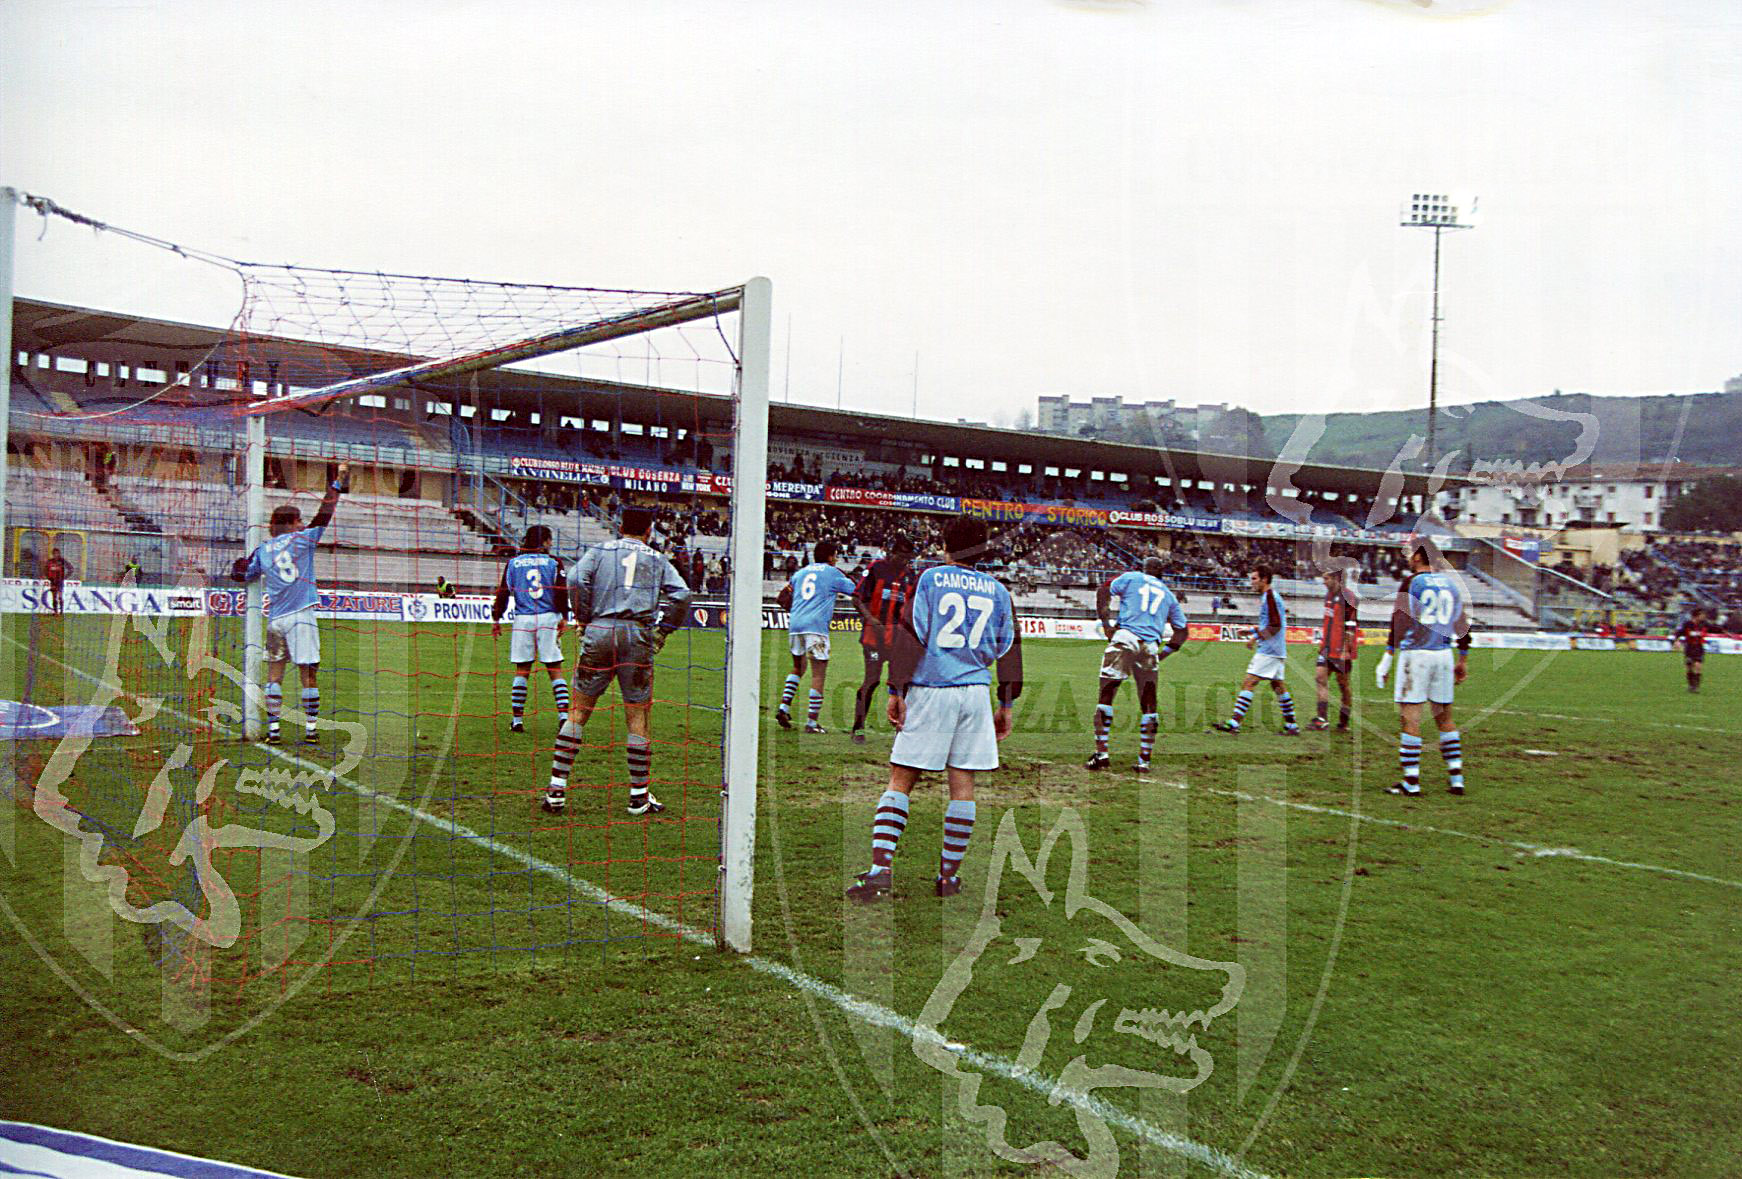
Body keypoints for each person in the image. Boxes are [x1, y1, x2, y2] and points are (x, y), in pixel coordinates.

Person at [847, 514, 1021, 903]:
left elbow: (911, 634)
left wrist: (895, 688)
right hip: (975, 692)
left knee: (902, 777)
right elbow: (1010, 647)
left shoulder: (930, 579)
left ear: (945, 544)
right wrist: (1006, 702)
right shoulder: (998, 591)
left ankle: (879, 872)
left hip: (931, 688)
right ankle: (948, 878)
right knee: (963, 783)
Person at [543, 507, 691, 817]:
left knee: (579, 711)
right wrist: (664, 630)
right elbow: (682, 595)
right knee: (637, 715)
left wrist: (583, 617)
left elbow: (575, 579)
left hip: (599, 630)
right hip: (637, 634)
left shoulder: (599, 551)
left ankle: (556, 790)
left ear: (620, 526)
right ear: (649, 531)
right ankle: (639, 796)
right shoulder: (656, 557)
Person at [230, 464, 349, 744]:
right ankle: (310, 730)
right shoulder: (301, 540)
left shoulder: (263, 550)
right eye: (298, 521)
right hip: (301, 616)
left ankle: (273, 732)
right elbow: (324, 515)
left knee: (275, 675)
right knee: (309, 673)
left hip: (276, 621)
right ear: (292, 523)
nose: (301, 524)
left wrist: (237, 566)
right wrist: (336, 487)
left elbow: (241, 574)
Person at [1375, 540, 1472, 796]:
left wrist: (1388, 654)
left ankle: (1411, 781)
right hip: (1443, 655)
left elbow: (1399, 619)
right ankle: (1456, 778)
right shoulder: (1452, 585)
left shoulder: (1412, 582)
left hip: (1416, 656)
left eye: (1410, 553)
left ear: (1418, 557)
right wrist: (1463, 658)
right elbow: (1462, 623)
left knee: (1410, 718)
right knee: (1445, 719)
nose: (1408, 557)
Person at [1086, 556, 1187, 773]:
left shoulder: (1132, 577)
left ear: (1143, 569)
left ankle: (1101, 755)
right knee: (1149, 702)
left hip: (1125, 638)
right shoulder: (1169, 595)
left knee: (1106, 694)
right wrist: (1164, 654)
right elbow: (1183, 631)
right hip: (1149, 645)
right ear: (1161, 573)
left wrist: (1106, 624)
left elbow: (1103, 590)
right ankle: (1144, 760)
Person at [491, 525, 570, 734]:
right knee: (555, 669)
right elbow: (561, 591)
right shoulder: (554, 562)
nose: (551, 544)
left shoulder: (513, 563)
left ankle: (517, 720)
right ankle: (564, 718)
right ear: (544, 541)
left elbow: (503, 592)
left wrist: (496, 618)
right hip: (548, 617)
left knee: (522, 670)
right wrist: (565, 616)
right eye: (549, 540)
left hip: (523, 619)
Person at [774, 539, 858, 733]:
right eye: (836, 555)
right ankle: (812, 723)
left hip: (795, 624)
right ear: (831, 557)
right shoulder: (833, 573)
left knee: (798, 666)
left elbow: (782, 597)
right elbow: (857, 591)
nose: (837, 559)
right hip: (816, 626)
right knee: (818, 673)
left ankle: (783, 708)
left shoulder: (800, 573)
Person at [1211, 565, 1300, 735]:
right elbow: (1271, 624)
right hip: (1276, 649)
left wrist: (1256, 636)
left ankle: (1234, 722)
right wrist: (1252, 633)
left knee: (1249, 681)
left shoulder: (1270, 597)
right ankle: (1291, 725)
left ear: (1264, 579)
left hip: (1270, 650)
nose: (1251, 582)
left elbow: (1275, 625)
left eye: (1254, 578)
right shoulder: (1270, 597)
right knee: (1278, 686)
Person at [849, 534, 920, 744]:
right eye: (902, 556)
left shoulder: (910, 575)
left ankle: (903, 729)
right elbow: (856, 598)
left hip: (899, 640)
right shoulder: (876, 568)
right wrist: (871, 619)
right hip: (874, 637)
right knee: (871, 681)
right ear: (892, 552)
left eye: (908, 557)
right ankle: (858, 727)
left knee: (902, 685)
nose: (905, 561)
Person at [1310, 561, 1361, 731]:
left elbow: (1351, 626)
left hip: (1341, 650)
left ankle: (1343, 723)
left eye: (1326, 578)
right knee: (1320, 678)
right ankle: (1321, 719)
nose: (1323, 582)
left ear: (1336, 578)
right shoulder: (1328, 596)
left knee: (1343, 685)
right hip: (1326, 648)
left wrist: (1346, 649)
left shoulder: (1349, 597)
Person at [1674, 606, 1709, 693]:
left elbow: (1715, 628)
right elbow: (1678, 633)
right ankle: (1690, 685)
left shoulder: (1704, 624)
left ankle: (1696, 687)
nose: (1704, 616)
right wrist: (1677, 641)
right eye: (1702, 614)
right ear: (1696, 615)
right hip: (1689, 647)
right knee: (1689, 666)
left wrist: (1726, 632)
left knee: (1698, 666)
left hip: (1699, 647)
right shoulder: (1687, 624)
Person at [43, 549, 68, 615]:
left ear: (59, 554)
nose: (55, 555)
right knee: (54, 596)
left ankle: (62, 611)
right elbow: (45, 570)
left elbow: (71, 568)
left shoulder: (62, 561)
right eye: (54, 554)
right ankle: (55, 611)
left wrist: (64, 577)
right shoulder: (50, 561)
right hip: (53, 581)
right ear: (52, 554)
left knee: (60, 596)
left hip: (60, 580)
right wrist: (48, 577)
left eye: (57, 553)